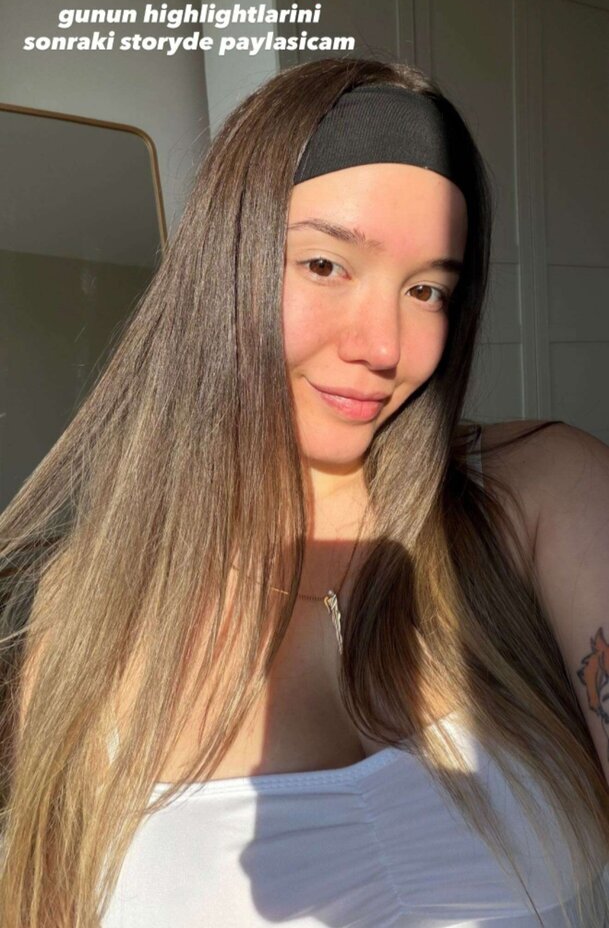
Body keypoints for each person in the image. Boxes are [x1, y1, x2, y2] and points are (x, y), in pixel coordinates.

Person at [1, 57, 608, 927]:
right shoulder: (82, 613)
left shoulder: (537, 498)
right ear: (226, 266)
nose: (384, 346)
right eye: (326, 265)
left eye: (427, 289)